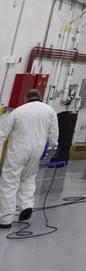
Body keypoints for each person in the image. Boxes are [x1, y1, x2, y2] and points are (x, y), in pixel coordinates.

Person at [0, 89, 59, 228]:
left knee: (10, 181)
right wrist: (53, 146)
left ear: (26, 98)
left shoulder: (18, 111)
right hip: (37, 151)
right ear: (40, 97)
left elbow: (2, 133)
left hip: (18, 150)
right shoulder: (50, 111)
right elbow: (54, 133)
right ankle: (26, 205)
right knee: (29, 177)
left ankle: (5, 218)